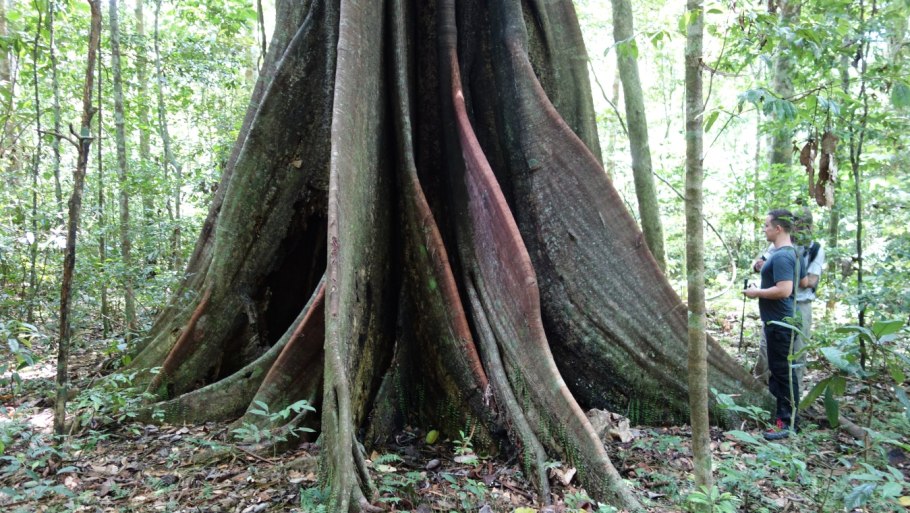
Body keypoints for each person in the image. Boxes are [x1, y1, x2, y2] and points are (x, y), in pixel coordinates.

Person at [744, 209, 803, 440]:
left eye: (767, 225)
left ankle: (787, 424)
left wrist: (755, 292)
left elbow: (784, 289)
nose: (765, 229)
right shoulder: (786, 254)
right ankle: (783, 419)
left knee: (782, 374)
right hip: (778, 321)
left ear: (778, 228)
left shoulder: (782, 256)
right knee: (780, 373)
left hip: (781, 323)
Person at [751, 211, 824, 392]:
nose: (798, 230)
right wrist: (759, 265)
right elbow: (760, 262)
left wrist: (791, 271)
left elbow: (809, 281)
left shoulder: (814, 249)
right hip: (777, 305)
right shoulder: (780, 245)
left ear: (809, 228)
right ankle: (760, 390)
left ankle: (793, 396)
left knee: (797, 352)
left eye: (803, 226)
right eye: (795, 225)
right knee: (766, 349)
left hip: (800, 304)